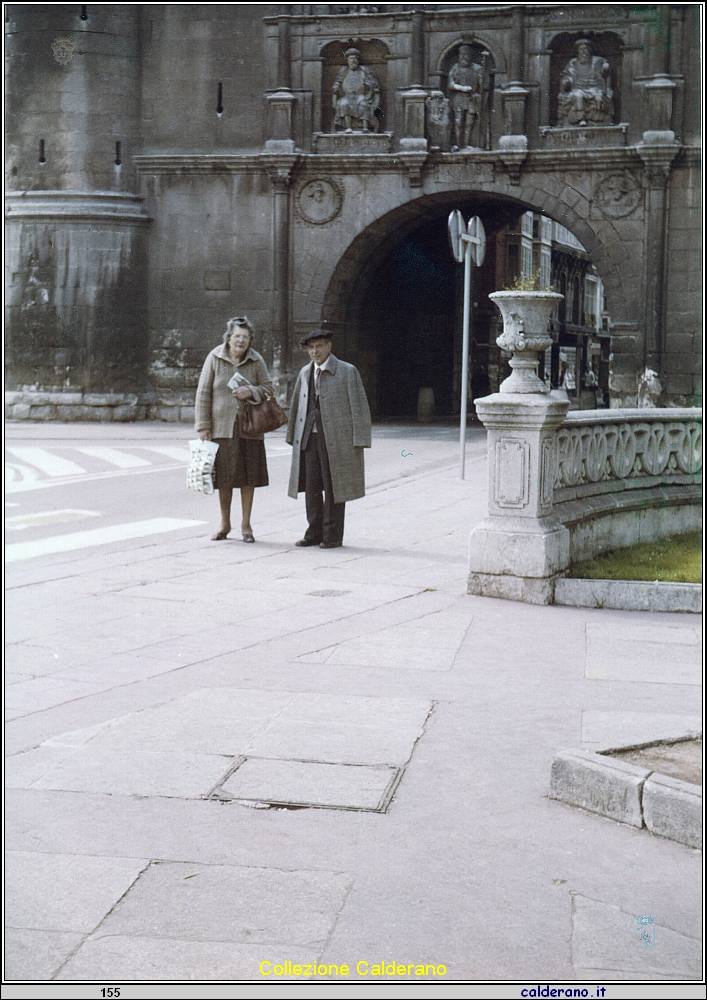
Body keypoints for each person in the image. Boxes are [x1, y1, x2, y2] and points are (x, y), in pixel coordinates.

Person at [287, 330, 371, 548]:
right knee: (311, 486)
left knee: (335, 486)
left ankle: (332, 535)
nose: (315, 351)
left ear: (329, 347)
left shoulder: (347, 371)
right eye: (311, 348)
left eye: (319, 346)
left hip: (337, 438)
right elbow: (296, 406)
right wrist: (292, 437)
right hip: (310, 437)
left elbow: (360, 408)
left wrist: (360, 439)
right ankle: (313, 533)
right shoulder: (305, 373)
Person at [195, 316, 274, 542]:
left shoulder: (256, 360)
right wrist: (203, 426)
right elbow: (203, 393)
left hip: (250, 427)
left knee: (249, 477)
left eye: (246, 337)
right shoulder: (215, 357)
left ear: (250, 340)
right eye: (237, 336)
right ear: (228, 338)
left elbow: (268, 389)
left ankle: (246, 525)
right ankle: (224, 523)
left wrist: (251, 391)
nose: (241, 341)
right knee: (225, 478)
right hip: (222, 428)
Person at [557, 38, 613, 127]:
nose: (583, 52)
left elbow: (605, 70)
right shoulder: (573, 63)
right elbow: (566, 75)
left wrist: (605, 68)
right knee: (577, 96)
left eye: (585, 49)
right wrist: (567, 81)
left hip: (595, 88)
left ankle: (596, 121)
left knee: (598, 97)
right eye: (581, 49)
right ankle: (580, 119)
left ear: (590, 50)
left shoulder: (597, 61)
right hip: (578, 88)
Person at [332, 47, 380, 133]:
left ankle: (365, 127)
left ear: (358, 61)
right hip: (347, 96)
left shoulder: (364, 70)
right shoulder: (344, 71)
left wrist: (370, 84)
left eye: (355, 59)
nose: (353, 61)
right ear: (347, 61)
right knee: (343, 104)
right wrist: (335, 87)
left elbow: (374, 82)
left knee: (363, 104)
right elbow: (337, 81)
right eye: (351, 59)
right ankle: (348, 127)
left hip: (361, 96)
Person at [447, 44, 482, 149]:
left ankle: (468, 144)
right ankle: (458, 144)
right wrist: (462, 88)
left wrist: (478, 92)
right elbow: (450, 84)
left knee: (469, 123)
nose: (463, 57)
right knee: (458, 122)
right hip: (459, 98)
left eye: (466, 54)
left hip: (472, 98)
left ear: (470, 56)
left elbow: (482, 85)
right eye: (461, 54)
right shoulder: (455, 68)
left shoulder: (477, 68)